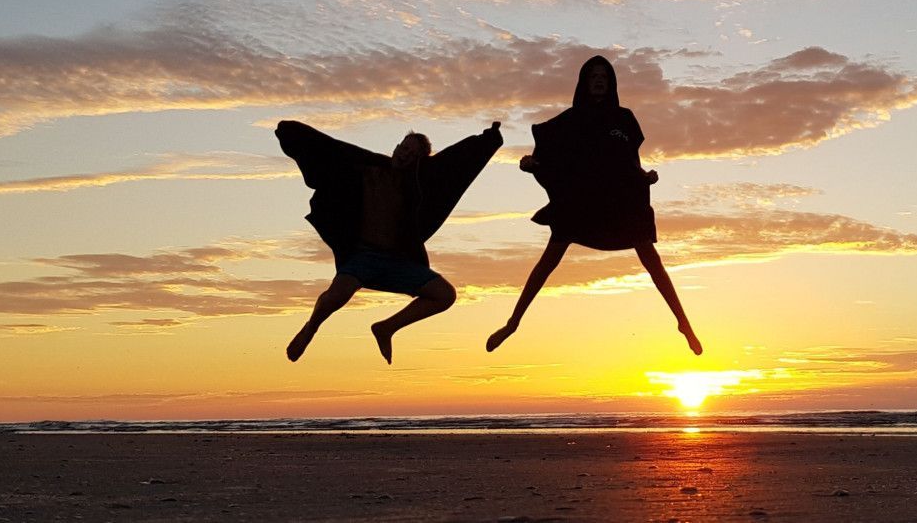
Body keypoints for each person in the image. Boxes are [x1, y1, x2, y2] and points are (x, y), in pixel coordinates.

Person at [486, 55, 702, 355]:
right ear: (585, 83)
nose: (599, 80)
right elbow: (550, 156)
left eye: (604, 76)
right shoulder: (570, 120)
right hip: (581, 199)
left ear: (611, 83)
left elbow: (629, 162)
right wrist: (532, 165)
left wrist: (645, 176)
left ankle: (683, 322)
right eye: (593, 76)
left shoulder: (624, 119)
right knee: (549, 259)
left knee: (651, 259)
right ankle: (513, 322)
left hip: (619, 200)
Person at [276, 119, 502, 364]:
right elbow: (331, 149)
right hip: (361, 256)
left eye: (413, 154)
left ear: (418, 162)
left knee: (445, 295)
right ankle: (311, 328)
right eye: (404, 148)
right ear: (396, 147)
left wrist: (488, 139)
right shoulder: (367, 166)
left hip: (397, 262)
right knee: (335, 297)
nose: (405, 155)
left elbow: (455, 164)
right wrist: (291, 133)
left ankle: (386, 328)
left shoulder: (415, 186)